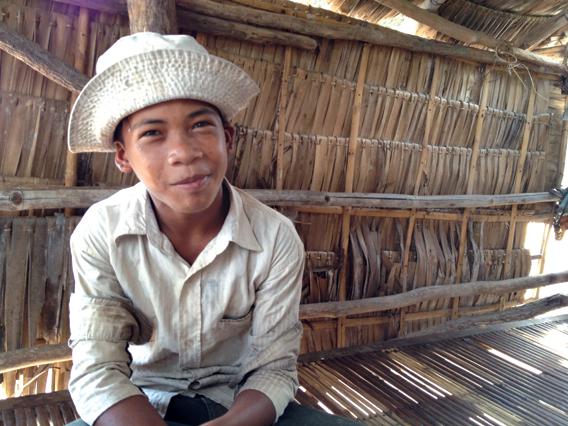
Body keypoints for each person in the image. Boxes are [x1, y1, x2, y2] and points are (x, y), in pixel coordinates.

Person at [66, 32, 362, 426]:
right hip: (141, 405)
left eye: (201, 125)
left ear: (229, 137)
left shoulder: (274, 238)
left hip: (240, 407)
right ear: (123, 155)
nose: (185, 152)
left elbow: (273, 368)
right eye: (153, 133)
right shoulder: (101, 232)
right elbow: (97, 370)